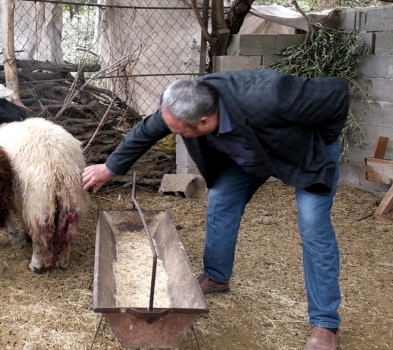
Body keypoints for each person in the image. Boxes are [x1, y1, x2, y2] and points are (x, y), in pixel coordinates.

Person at [82, 68, 349, 350]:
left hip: (303, 156)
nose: (169, 130)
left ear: (205, 121)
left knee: (313, 225)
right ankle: (217, 277)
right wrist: (110, 168)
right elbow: (149, 128)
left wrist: (314, 143)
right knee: (221, 198)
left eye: (177, 130)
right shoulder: (180, 103)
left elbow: (337, 93)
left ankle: (325, 324)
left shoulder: (270, 97)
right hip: (245, 158)